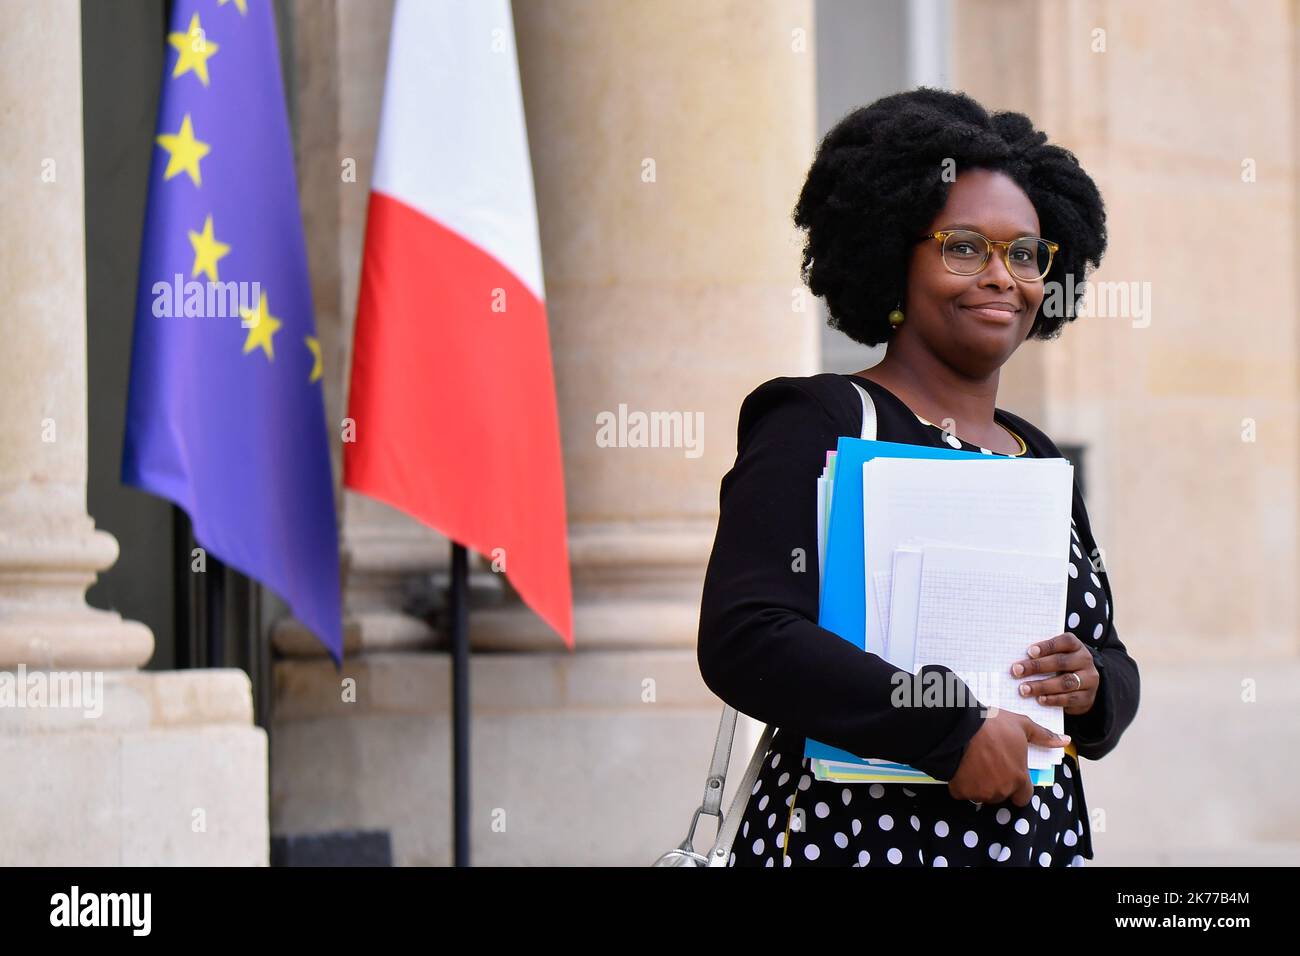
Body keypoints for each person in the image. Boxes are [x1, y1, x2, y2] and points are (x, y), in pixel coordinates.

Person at [696, 88, 1140, 867]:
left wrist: (1092, 684)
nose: (1003, 276)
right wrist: (950, 729)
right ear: (892, 255)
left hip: (1033, 844)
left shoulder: (1036, 457)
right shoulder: (820, 421)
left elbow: (1111, 653)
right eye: (964, 247)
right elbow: (747, 636)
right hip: (852, 844)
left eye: (1026, 253)